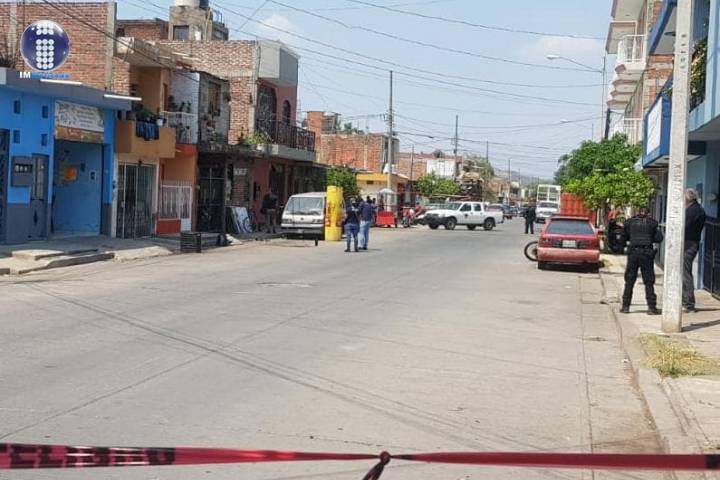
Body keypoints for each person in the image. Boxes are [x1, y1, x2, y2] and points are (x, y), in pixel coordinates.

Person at [621, 206, 663, 315]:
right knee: (649, 281)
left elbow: (623, 238)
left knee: (629, 281)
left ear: (637, 212)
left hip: (633, 253)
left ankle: (625, 306)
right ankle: (651, 307)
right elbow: (659, 238)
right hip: (646, 254)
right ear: (648, 213)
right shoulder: (652, 223)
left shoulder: (629, 223)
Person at [683, 188, 707, 312]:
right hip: (691, 242)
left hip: (689, 243)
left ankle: (688, 303)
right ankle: (686, 300)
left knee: (685, 273)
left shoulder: (693, 211)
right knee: (684, 273)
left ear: (688, 199)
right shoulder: (698, 209)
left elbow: (685, 226)